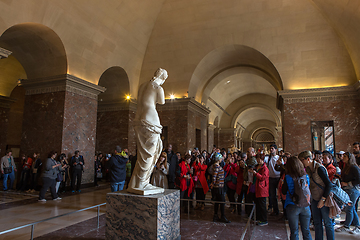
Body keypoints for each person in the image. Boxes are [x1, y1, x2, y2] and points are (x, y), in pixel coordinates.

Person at [128, 68, 168, 194]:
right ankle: (142, 183)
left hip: (138, 121)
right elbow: (161, 101)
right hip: (151, 121)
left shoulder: (142, 86)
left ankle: (136, 183)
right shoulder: (158, 88)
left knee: (142, 154)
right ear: (163, 78)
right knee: (149, 154)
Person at [299, 150, 334, 240]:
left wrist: (323, 200)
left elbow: (329, 185)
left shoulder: (320, 168)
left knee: (327, 223)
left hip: (324, 198)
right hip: (314, 198)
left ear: (308, 159)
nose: (301, 162)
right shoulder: (308, 169)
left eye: (302, 160)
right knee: (317, 223)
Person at [282, 156, 312, 240]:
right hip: (305, 205)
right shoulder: (305, 176)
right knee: (306, 231)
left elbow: (284, 191)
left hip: (292, 205)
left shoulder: (288, 177)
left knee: (294, 231)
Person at [335, 152, 360, 234]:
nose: (343, 157)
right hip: (347, 190)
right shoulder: (346, 167)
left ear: (349, 158)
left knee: (349, 208)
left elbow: (358, 180)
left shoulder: (354, 167)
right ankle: (357, 226)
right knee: (351, 208)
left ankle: (347, 226)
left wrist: (348, 183)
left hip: (353, 190)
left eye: (345, 156)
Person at [210, 153, 230, 223]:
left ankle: (216, 216)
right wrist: (213, 183)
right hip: (218, 187)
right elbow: (214, 176)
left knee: (218, 202)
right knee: (222, 201)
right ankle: (222, 216)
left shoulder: (217, 166)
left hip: (219, 186)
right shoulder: (216, 166)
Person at [250, 153, 269, 226]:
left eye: (259, 159)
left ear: (262, 159)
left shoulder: (265, 168)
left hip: (262, 188)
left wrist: (255, 173)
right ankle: (258, 218)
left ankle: (264, 220)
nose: (258, 161)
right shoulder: (257, 166)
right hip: (256, 187)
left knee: (262, 205)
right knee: (257, 204)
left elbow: (263, 178)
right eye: (257, 159)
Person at [266, 144, 281, 216]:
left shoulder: (279, 158)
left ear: (276, 149)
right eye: (270, 148)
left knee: (281, 194)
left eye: (272, 148)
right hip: (271, 178)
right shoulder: (268, 158)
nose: (271, 150)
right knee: (272, 195)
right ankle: (275, 210)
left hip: (278, 178)